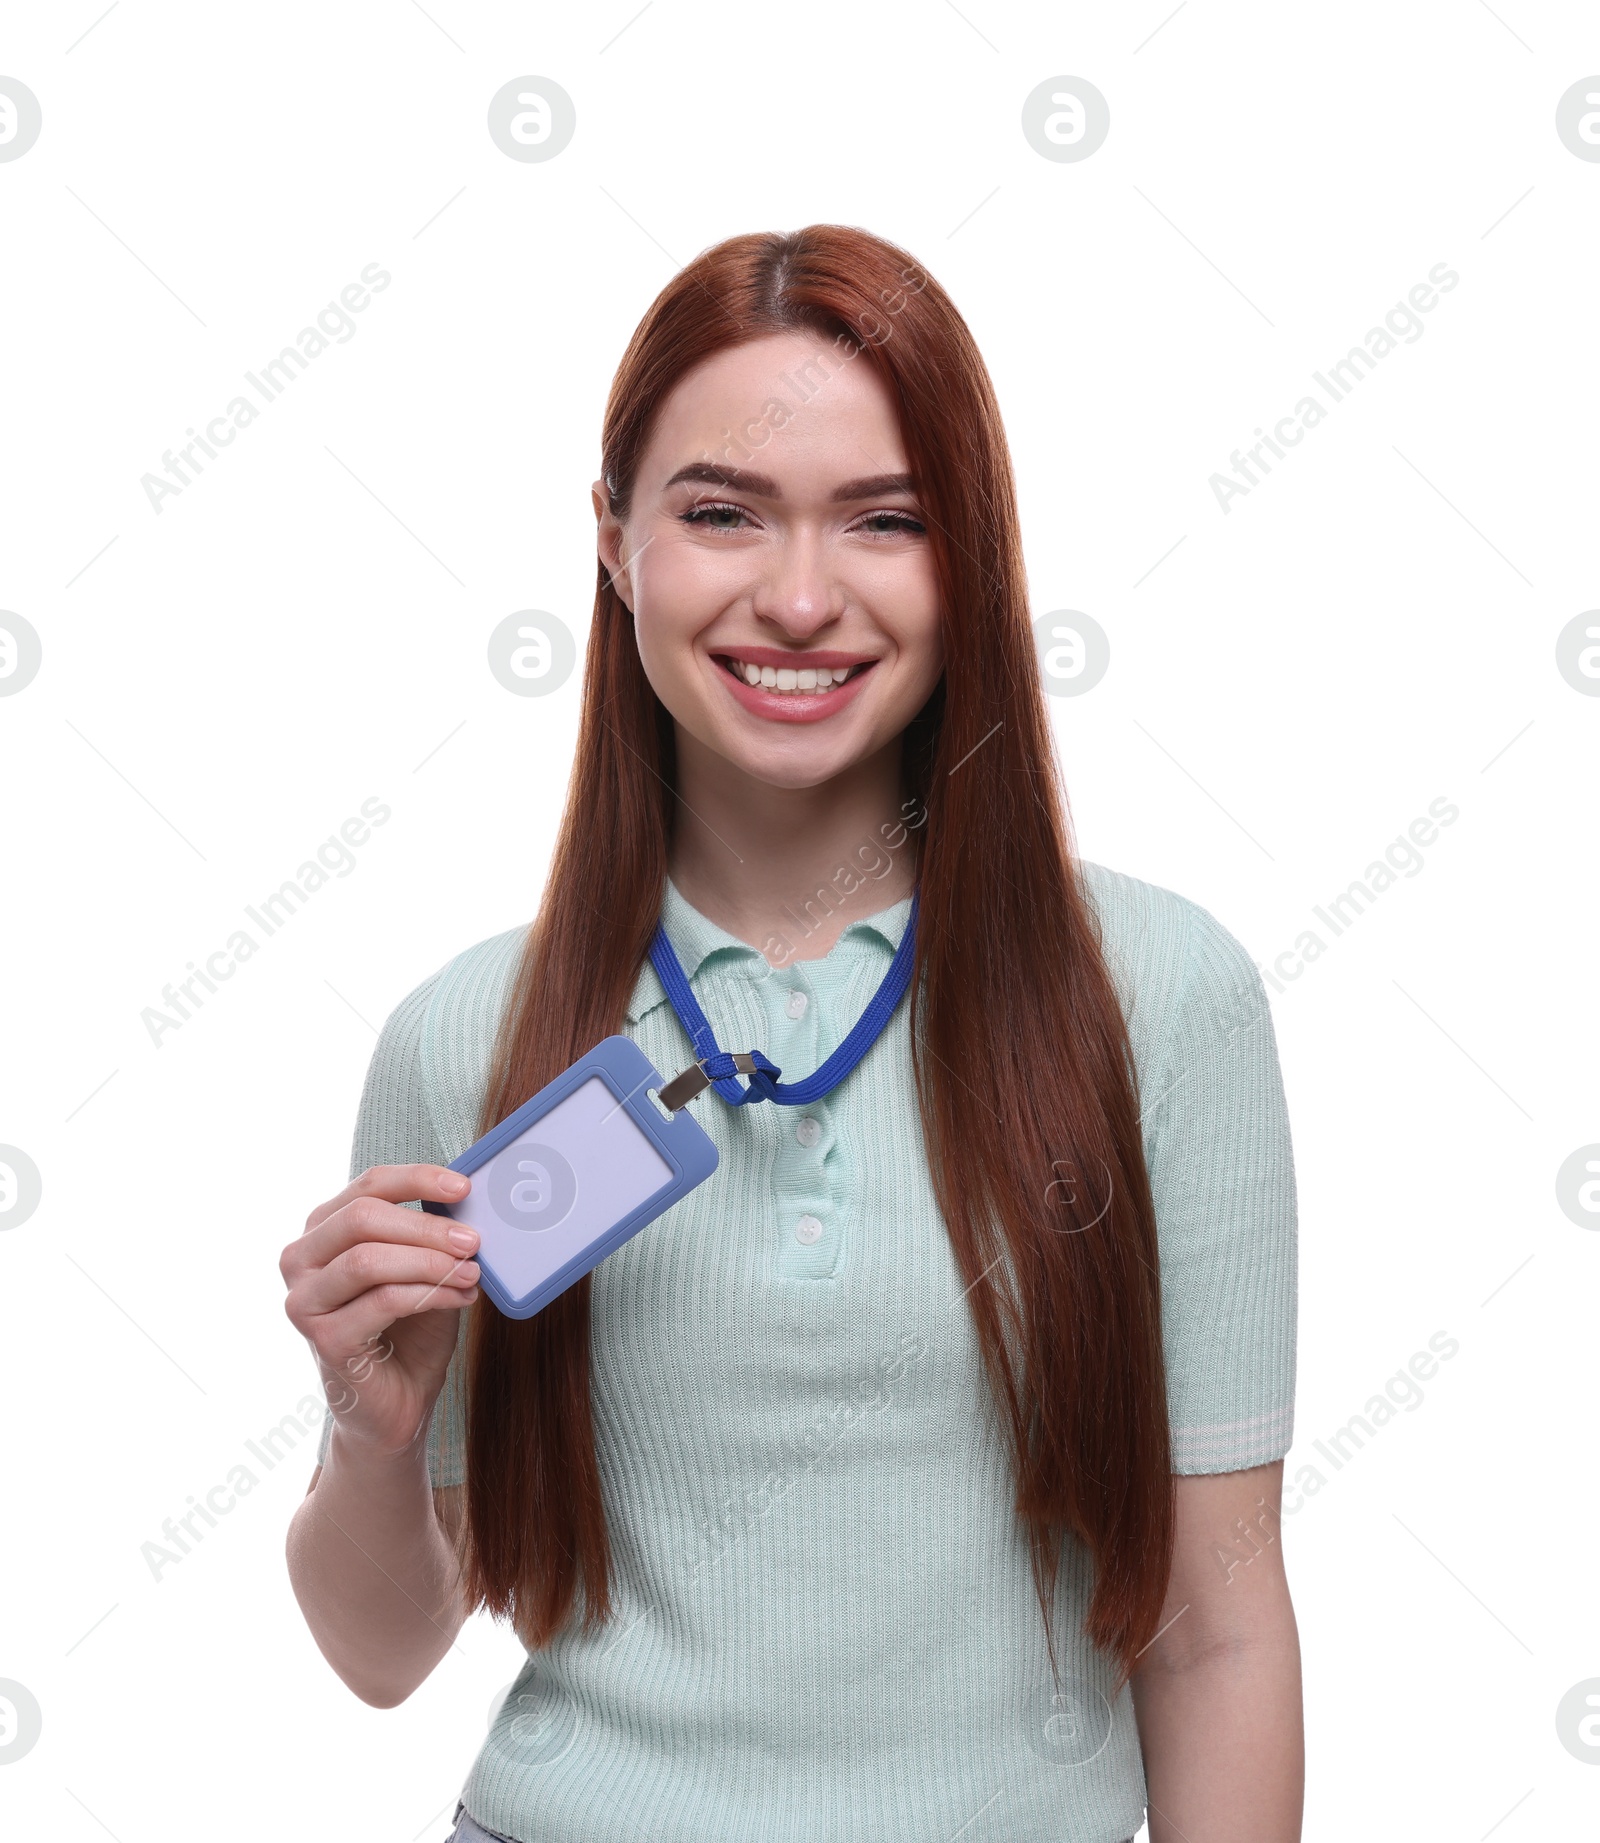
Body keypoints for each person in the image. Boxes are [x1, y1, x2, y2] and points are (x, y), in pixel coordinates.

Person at [282, 224, 1303, 1843]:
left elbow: (1220, 1631)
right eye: (721, 514)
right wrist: (370, 1434)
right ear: (614, 545)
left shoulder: (1164, 997)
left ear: (973, 555)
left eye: (886, 521)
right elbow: (386, 1651)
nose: (803, 597)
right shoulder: (471, 1032)